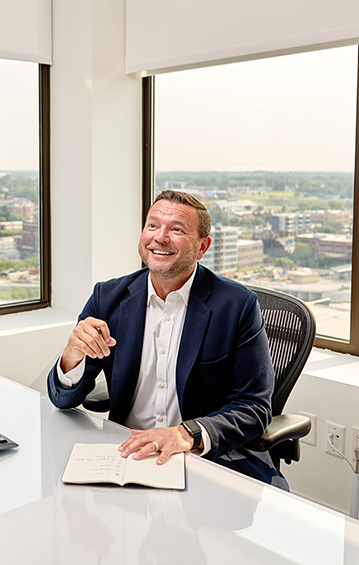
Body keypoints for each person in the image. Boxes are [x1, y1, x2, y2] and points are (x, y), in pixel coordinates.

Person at [47, 190, 287, 489]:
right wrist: (72, 355)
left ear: (202, 247)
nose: (159, 237)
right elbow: (63, 399)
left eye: (176, 229)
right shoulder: (108, 298)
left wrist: (185, 434)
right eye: (152, 226)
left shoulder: (236, 306)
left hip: (205, 458)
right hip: (128, 456)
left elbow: (254, 408)